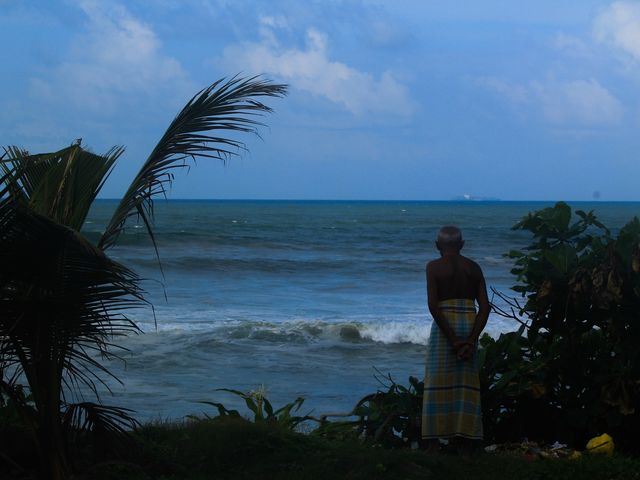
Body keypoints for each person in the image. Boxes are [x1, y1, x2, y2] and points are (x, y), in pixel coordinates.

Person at [421, 225, 490, 452]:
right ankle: (464, 438)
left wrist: (453, 339)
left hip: (445, 325)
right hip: (469, 321)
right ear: (461, 245)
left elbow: (433, 306)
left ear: (437, 246)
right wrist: (470, 339)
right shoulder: (474, 267)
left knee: (437, 380)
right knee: (466, 383)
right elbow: (485, 307)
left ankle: (433, 440)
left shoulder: (433, 267)